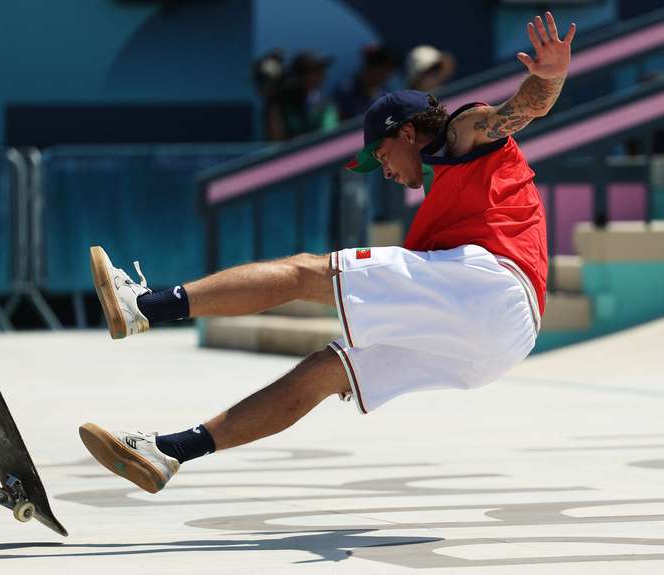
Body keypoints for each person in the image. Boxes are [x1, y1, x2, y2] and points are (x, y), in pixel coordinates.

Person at [79, 12, 576, 495]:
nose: (384, 171)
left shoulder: (459, 132)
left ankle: (142, 306)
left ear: (406, 132)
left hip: (492, 287)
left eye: (381, 156)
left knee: (305, 271)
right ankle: (168, 453)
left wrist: (550, 79)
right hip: (499, 344)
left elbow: (521, 110)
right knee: (323, 370)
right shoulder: (447, 188)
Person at [335, 44, 400, 121]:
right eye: (385, 69)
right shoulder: (346, 91)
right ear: (371, 68)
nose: (388, 75)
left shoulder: (386, 95)